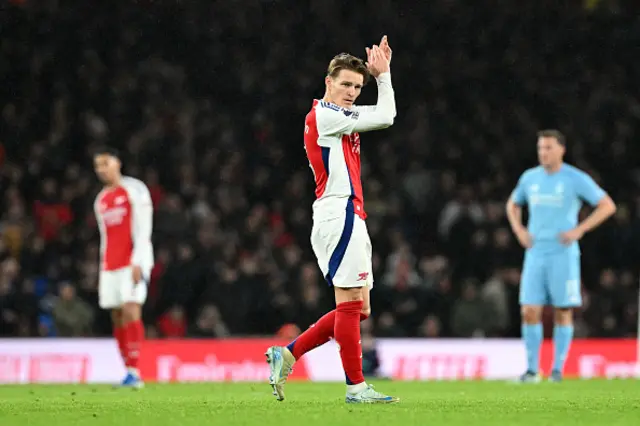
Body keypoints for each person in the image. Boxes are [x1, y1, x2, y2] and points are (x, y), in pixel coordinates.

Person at [265, 36, 398, 403]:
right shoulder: (325, 115)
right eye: (345, 84)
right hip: (338, 213)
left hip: (349, 212)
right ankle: (356, 387)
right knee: (349, 302)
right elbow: (386, 116)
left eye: (358, 86)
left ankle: (288, 353)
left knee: (360, 308)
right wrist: (383, 78)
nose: (352, 92)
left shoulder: (339, 118)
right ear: (328, 82)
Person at [506, 130, 616, 382]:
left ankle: (557, 370)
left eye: (548, 148)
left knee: (562, 311)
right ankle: (532, 371)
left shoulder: (574, 178)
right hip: (535, 253)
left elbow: (607, 205)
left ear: (561, 150)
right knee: (529, 311)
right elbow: (512, 204)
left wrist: (580, 229)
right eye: (540, 148)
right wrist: (519, 230)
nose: (543, 153)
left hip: (563, 254)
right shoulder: (530, 178)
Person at [93, 147, 154, 388]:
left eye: (105, 163)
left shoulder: (134, 189)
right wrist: (102, 267)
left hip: (132, 262)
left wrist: (139, 260)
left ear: (117, 162)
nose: (101, 170)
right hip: (110, 265)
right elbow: (105, 237)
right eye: (98, 166)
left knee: (131, 309)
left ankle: (136, 372)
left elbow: (143, 227)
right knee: (117, 315)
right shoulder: (100, 200)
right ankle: (128, 370)